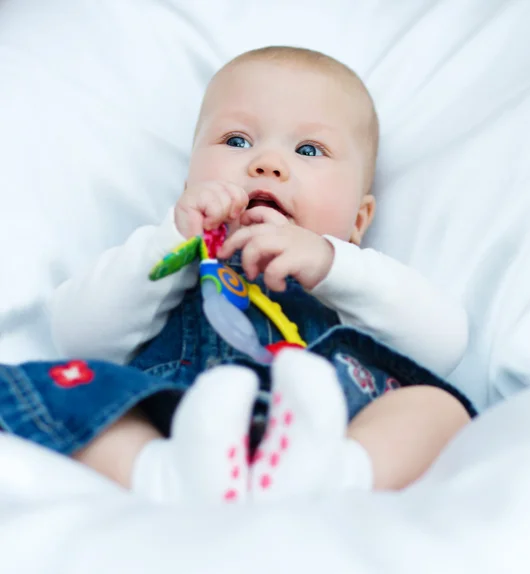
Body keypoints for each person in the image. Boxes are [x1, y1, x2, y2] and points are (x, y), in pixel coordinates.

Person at [46, 46, 474, 504]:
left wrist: (331, 263)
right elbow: (78, 337)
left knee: (439, 407)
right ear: (189, 186)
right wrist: (171, 240)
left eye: (309, 149)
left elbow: (444, 345)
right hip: (177, 430)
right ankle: (158, 473)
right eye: (236, 141)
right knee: (69, 391)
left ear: (358, 220)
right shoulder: (164, 264)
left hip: (328, 434)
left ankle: (341, 474)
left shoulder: (354, 284)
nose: (266, 163)